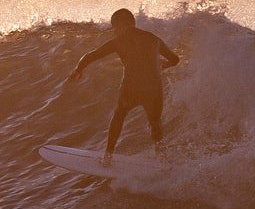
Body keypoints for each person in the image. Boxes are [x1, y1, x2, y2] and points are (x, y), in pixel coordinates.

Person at [66, 9, 181, 165]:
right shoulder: (154, 39)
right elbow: (175, 59)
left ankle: (107, 157)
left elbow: (90, 55)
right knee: (154, 122)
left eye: (115, 27)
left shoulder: (119, 41)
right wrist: (163, 65)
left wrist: (78, 70)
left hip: (131, 88)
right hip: (154, 89)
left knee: (119, 116)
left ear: (121, 24)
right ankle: (163, 159)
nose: (115, 31)